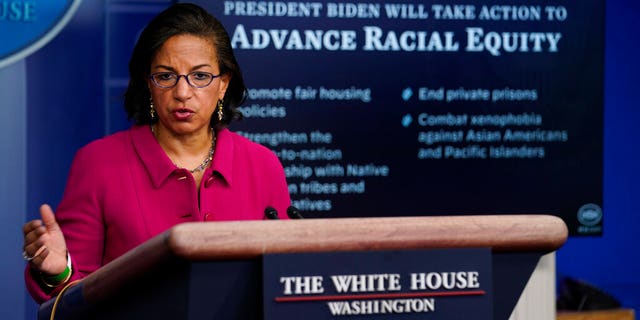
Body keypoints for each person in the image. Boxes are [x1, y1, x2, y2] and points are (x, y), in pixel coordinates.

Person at [21, 3, 290, 304]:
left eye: (200, 76)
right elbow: (73, 297)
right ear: (148, 84)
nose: (183, 93)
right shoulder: (98, 164)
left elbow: (284, 279)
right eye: (165, 76)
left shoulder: (262, 165)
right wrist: (59, 272)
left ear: (223, 84)